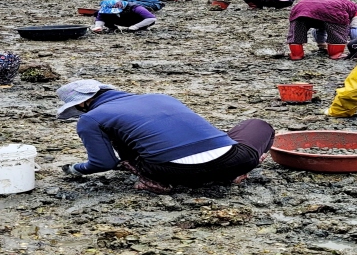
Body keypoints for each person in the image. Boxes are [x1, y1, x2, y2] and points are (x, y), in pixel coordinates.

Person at [57, 79, 275, 193]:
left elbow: (103, 162)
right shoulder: (160, 97)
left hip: (170, 172)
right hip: (235, 161)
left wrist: (75, 169)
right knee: (257, 124)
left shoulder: (91, 118)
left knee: (122, 136)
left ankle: (152, 181)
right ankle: (234, 175)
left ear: (83, 102)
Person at [286, 0, 357, 60]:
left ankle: (296, 55)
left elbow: (319, 31)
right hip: (331, 9)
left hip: (300, 8)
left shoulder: (346, 4)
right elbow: (356, 30)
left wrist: (322, 46)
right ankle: (336, 54)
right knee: (337, 31)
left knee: (297, 31)